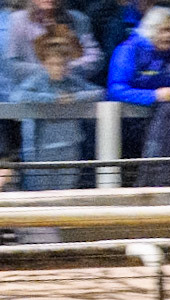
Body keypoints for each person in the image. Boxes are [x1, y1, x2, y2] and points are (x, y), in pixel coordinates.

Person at [11, 27, 103, 190]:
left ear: (68, 63)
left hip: (70, 147)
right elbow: (18, 96)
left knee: (66, 193)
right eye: (53, 64)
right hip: (42, 150)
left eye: (62, 64)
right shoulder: (37, 81)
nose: (58, 68)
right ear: (44, 63)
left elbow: (99, 92)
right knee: (41, 195)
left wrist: (74, 98)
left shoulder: (73, 82)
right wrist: (52, 99)